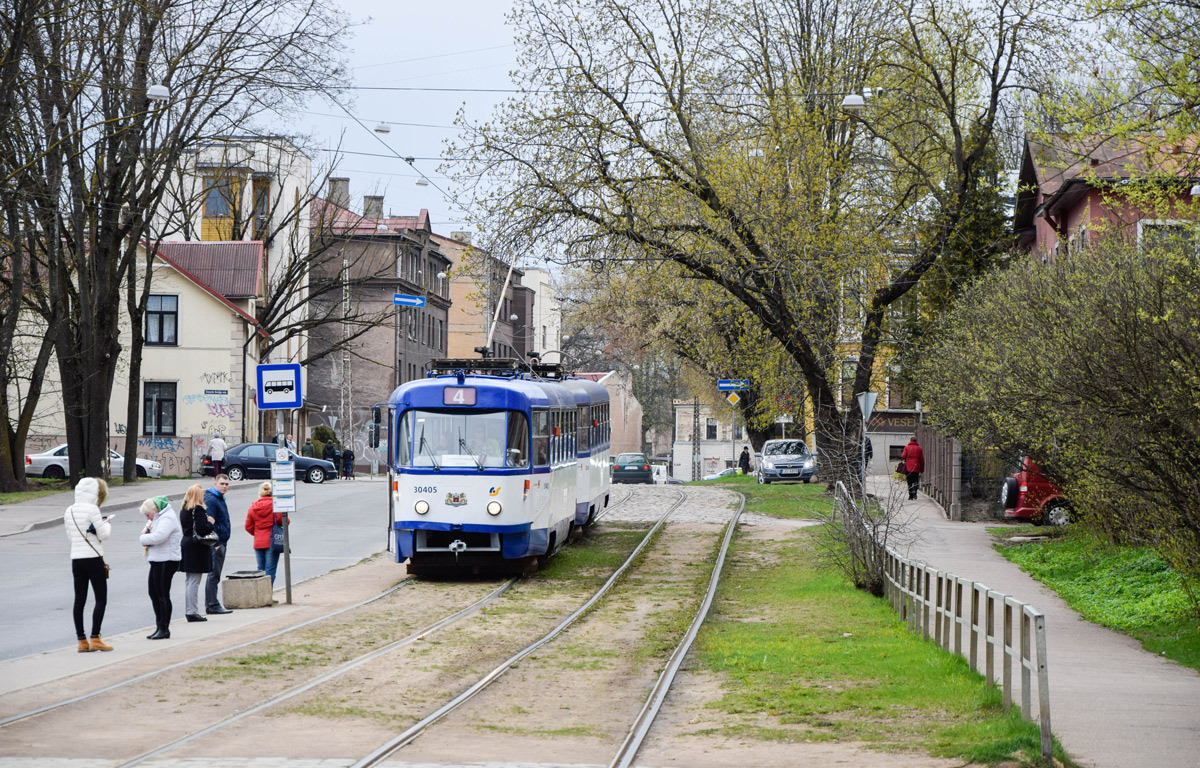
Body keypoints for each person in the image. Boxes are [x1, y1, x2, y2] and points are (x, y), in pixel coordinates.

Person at [65, 477, 113, 652]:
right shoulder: (93, 509)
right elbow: (103, 535)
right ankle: (95, 638)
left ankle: (81, 641)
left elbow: (70, 537)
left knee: (79, 600)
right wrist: (107, 525)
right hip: (93, 558)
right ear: (94, 493)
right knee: (100, 599)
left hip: (76, 559)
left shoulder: (69, 510)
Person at [139, 496, 182, 640]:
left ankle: (164, 628)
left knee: (162, 594)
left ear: (155, 509)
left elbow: (158, 537)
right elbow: (145, 532)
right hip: (157, 559)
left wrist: (143, 539)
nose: (147, 518)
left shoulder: (167, 518)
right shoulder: (156, 518)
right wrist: (145, 535)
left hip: (166, 559)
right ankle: (159, 626)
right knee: (153, 593)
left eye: (148, 514)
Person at [179, 483, 215, 623]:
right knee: (194, 580)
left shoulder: (184, 509)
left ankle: (190, 610)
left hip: (187, 543)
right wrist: (210, 523)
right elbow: (201, 529)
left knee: (189, 580)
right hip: (196, 546)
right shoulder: (198, 509)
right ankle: (192, 612)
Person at [203, 474, 234, 615]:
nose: (224, 486)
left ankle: (212, 604)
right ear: (215, 484)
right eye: (222, 483)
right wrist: (214, 541)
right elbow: (210, 522)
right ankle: (212, 605)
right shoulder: (212, 499)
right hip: (216, 542)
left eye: (226, 484)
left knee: (215, 574)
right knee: (214, 574)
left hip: (220, 541)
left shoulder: (219, 498)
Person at [244, 481, 284, 585]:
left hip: (258, 542)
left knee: (260, 570)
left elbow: (248, 526)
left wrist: (257, 534)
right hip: (272, 542)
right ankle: (268, 593)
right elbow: (285, 521)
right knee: (270, 570)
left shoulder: (253, 507)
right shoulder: (275, 506)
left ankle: (260, 593)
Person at [900, 435, 925, 500]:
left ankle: (910, 495)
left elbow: (903, 456)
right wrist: (922, 469)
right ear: (916, 441)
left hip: (908, 467)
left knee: (909, 481)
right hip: (916, 467)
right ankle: (915, 492)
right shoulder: (919, 448)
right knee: (915, 480)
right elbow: (921, 459)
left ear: (910, 440)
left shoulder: (907, 447)